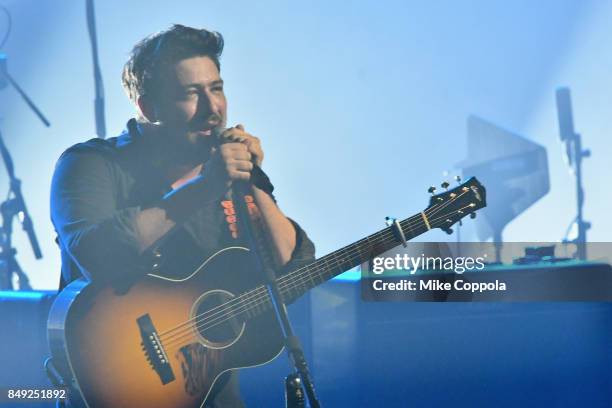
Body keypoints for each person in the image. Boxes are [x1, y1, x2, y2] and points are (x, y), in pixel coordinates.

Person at [50, 24, 315, 407]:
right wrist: (205, 188)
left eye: (217, 89)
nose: (213, 109)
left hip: (211, 393)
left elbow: (292, 270)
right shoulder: (90, 164)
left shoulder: (230, 175)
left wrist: (253, 181)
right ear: (148, 108)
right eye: (192, 94)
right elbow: (97, 253)